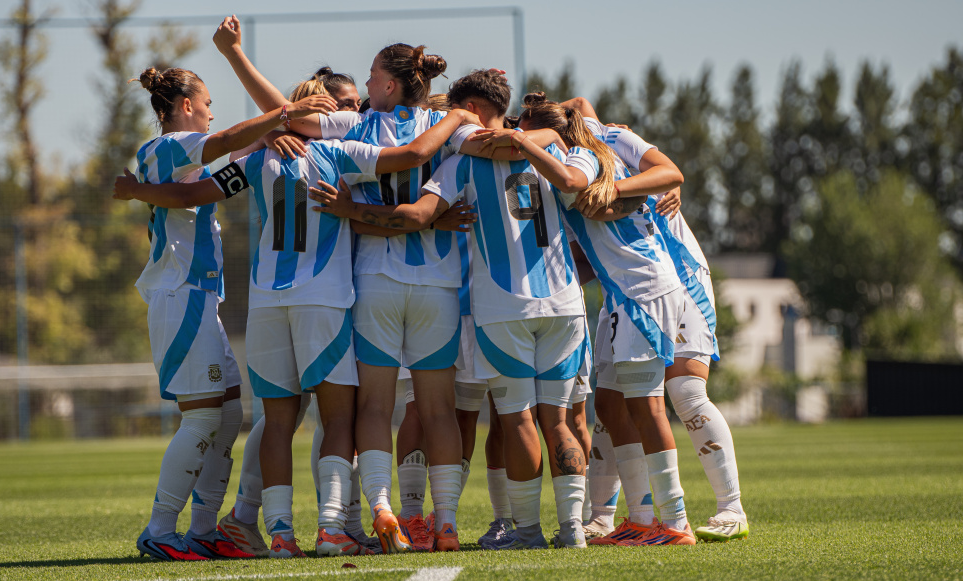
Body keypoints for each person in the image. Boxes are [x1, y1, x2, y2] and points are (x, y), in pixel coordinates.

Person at [117, 75, 479, 558]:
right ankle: (329, 527)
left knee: (265, 420)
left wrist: (139, 190)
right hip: (319, 300)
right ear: (320, 115)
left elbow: (194, 194)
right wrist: (435, 204)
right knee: (336, 418)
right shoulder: (342, 153)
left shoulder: (257, 159)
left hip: (266, 301)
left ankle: (276, 534)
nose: (352, 114)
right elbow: (409, 159)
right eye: (341, 108)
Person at [311, 85, 612, 550]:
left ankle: (523, 531)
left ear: (470, 110)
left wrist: (351, 210)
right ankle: (573, 528)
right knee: (559, 420)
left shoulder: (461, 162)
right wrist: (538, 138)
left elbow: (416, 216)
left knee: (516, 421)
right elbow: (577, 180)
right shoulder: (565, 150)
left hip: (500, 307)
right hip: (564, 305)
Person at [127, 64, 335, 561]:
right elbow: (225, 142)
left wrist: (269, 139)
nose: (211, 113)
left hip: (199, 299)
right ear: (185, 106)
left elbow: (232, 158)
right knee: (202, 417)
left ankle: (204, 531)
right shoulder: (165, 146)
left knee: (225, 414)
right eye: (207, 104)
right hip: (179, 295)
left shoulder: (184, 157)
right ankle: (159, 530)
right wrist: (285, 113)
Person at [572, 108, 748, 543]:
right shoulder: (564, 169)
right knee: (610, 403)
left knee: (685, 391)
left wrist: (640, 186)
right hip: (622, 290)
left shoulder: (612, 139)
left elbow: (669, 173)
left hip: (678, 277)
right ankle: (618, 516)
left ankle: (731, 508)